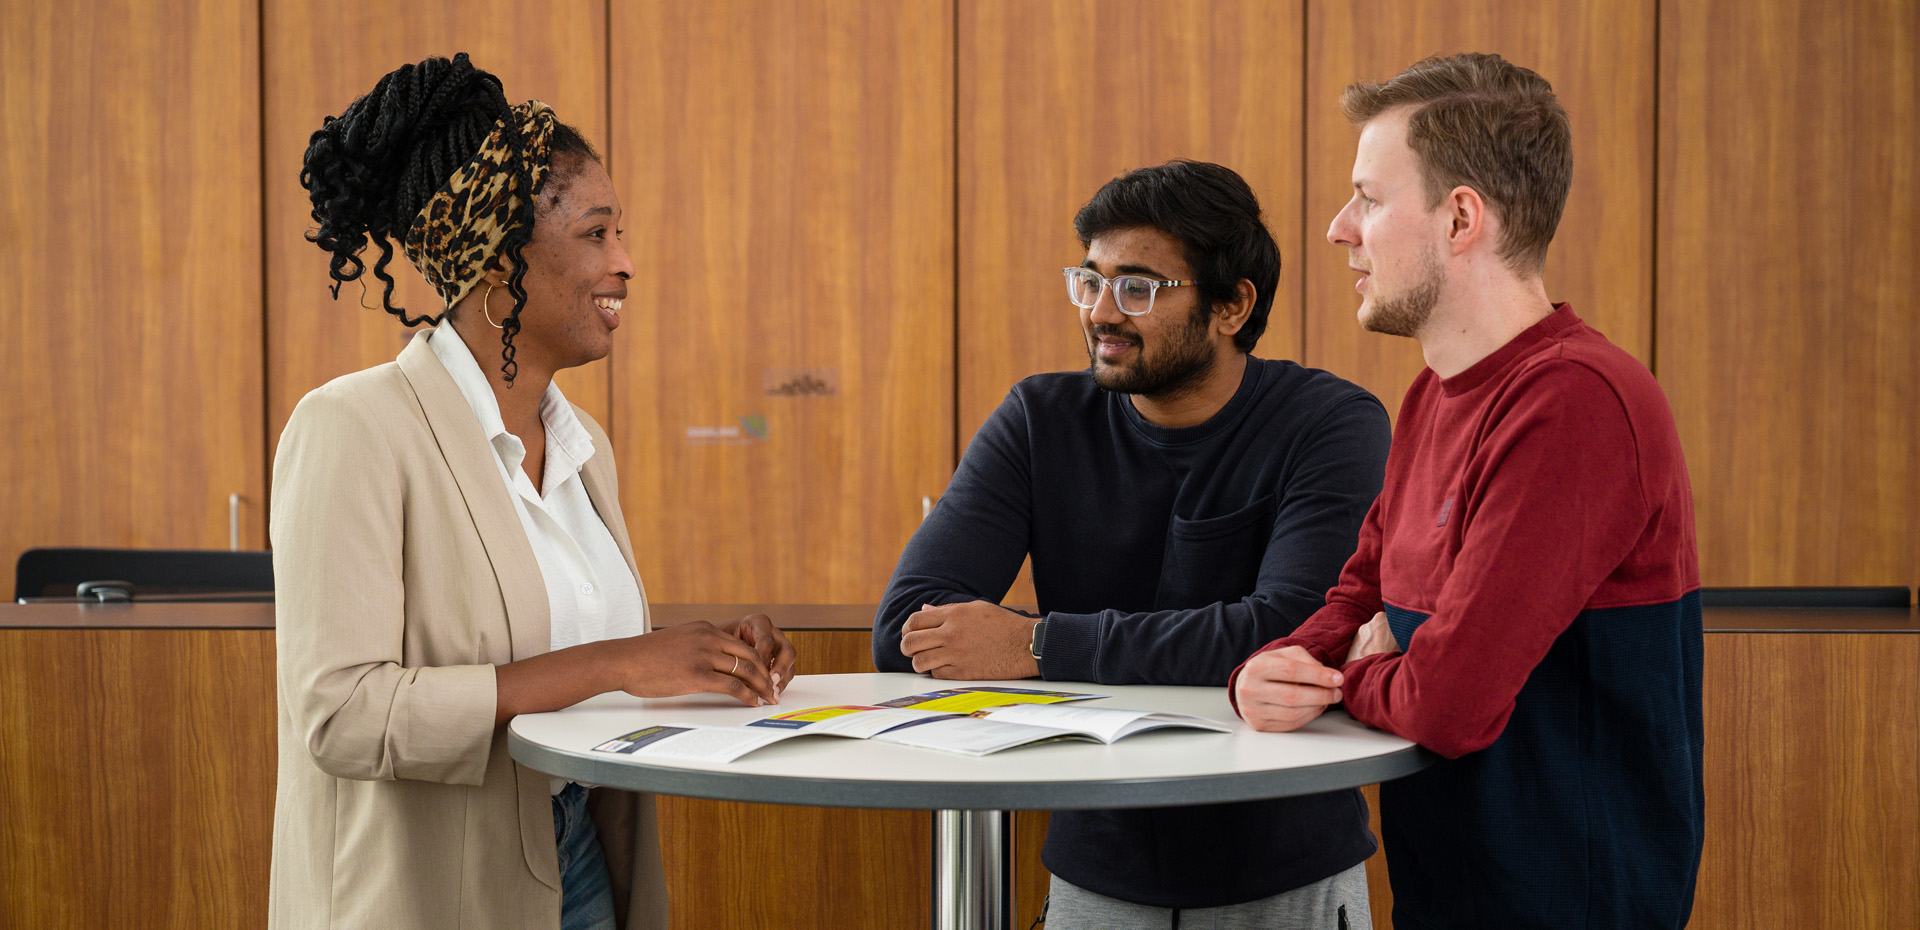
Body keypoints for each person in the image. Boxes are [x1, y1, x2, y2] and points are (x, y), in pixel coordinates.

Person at [273, 54, 797, 930]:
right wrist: (621, 662)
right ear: (497, 258)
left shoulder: (585, 447)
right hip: (432, 891)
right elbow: (344, 717)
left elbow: (568, 669)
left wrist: (700, 661)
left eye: (618, 233)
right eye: (596, 234)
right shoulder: (354, 428)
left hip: (581, 856)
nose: (625, 262)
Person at [1231, 53, 1704, 929]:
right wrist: (1275, 667)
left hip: (1567, 906)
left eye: (1369, 198)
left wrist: (1356, 673)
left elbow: (1449, 706)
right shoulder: (1432, 393)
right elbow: (1361, 591)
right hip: (1452, 891)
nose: (1339, 228)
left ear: (1459, 219)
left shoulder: (1577, 404)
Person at [872, 160, 1392, 928]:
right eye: (1089, 281)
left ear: (1232, 305)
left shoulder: (1330, 423)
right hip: (1097, 870)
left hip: (1283, 869)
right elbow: (907, 628)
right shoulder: (1039, 418)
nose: (1101, 312)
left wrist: (1038, 645)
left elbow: (1294, 633)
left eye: (1138, 287)